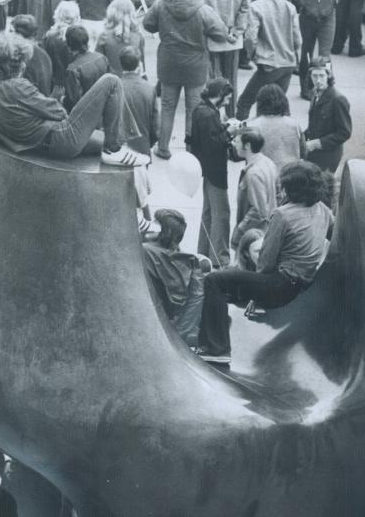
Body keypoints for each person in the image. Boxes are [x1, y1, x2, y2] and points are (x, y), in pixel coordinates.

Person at [197, 161, 332, 364]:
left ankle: (216, 349)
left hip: (279, 286)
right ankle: (218, 342)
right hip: (303, 284)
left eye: (283, 187)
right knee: (231, 282)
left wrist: (255, 293)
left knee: (214, 280)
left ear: (291, 189)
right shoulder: (324, 210)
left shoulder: (283, 214)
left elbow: (266, 262)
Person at [0, 31, 144, 166]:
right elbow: (59, 113)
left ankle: (116, 145)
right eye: (20, 62)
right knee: (111, 81)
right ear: (10, 65)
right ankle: (113, 150)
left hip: (38, 146)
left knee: (103, 137)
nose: (24, 65)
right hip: (61, 139)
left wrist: (17, 130)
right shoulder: (18, 86)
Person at [143, 0, 228, 160]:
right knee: (193, 109)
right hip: (195, 66)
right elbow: (221, 34)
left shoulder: (161, 4)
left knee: (167, 106)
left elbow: (147, 24)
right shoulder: (204, 10)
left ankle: (163, 147)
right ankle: (190, 151)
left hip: (168, 62)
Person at [236, 0, 301, 121]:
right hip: (287, 63)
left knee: (244, 103)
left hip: (268, 63)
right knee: (275, 107)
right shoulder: (290, 7)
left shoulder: (256, 6)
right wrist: (295, 59)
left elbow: (250, 38)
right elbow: (297, 38)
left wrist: (253, 55)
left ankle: (238, 138)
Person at [142, 209, 210, 347]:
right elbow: (197, 299)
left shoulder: (143, 251)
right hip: (177, 327)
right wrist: (180, 334)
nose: (150, 225)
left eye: (155, 222)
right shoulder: (191, 260)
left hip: (148, 322)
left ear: (164, 231)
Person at [188, 78, 235, 269]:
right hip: (215, 169)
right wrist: (229, 132)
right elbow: (212, 144)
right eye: (228, 97)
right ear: (220, 95)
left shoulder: (203, 110)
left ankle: (205, 251)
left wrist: (224, 128)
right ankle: (219, 257)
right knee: (222, 213)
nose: (229, 101)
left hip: (207, 169)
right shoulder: (208, 114)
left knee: (209, 212)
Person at [201, 0, 249, 114]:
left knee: (213, 80)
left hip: (211, 38)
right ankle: (231, 115)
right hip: (233, 39)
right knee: (231, 80)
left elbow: (203, 14)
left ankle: (212, 114)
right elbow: (244, 10)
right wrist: (237, 31)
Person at [231, 127, 277, 250]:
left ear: (247, 146)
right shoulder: (268, 163)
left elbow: (258, 211)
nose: (234, 144)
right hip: (267, 229)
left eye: (237, 142)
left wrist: (239, 232)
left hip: (253, 236)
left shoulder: (253, 173)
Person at [304, 58, 352, 173]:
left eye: (322, 76)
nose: (318, 80)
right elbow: (313, 124)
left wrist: (316, 144)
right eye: (314, 76)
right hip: (314, 152)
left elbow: (344, 133)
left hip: (329, 154)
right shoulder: (315, 93)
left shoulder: (338, 99)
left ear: (329, 76)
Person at [249, 84, 305, 170]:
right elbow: (303, 152)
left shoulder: (253, 126)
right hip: (290, 174)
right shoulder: (294, 124)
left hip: (263, 174)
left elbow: (239, 153)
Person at [95, 0, 144, 76]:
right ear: (132, 13)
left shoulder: (104, 37)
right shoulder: (138, 37)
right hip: (132, 81)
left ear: (111, 12)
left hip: (110, 82)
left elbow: (98, 67)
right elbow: (142, 68)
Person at [63, 23, 109, 111]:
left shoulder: (72, 69)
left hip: (86, 116)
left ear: (68, 46)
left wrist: (63, 100)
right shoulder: (102, 58)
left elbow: (74, 101)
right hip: (103, 111)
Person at [42, 0, 79, 98]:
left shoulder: (48, 37)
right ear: (75, 17)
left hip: (53, 84)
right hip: (71, 84)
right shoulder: (77, 37)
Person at [10, 12, 53, 95]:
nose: (8, 34)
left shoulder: (21, 56)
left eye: (11, 31)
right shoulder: (44, 54)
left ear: (19, 34)